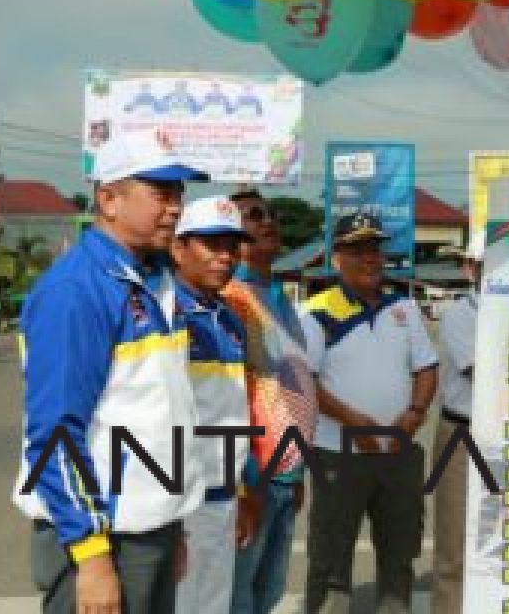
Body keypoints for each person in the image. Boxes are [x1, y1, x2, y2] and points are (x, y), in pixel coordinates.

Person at [12, 129, 209, 614]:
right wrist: (92, 557)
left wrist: (173, 522)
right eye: (161, 193)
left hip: (151, 526)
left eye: (180, 193)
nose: (176, 207)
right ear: (108, 199)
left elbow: (159, 408)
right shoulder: (76, 289)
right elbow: (55, 432)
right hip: (104, 536)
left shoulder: (156, 278)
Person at [302, 213, 439, 614]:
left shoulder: (405, 307)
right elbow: (305, 381)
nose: (369, 259)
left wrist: (415, 413)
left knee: (399, 556)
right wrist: (353, 421)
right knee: (330, 559)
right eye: (357, 250)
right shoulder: (315, 311)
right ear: (337, 256)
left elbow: (426, 367)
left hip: (399, 455)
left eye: (374, 249)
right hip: (338, 454)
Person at [224, 190, 318, 614]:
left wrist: (295, 474)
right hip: (253, 477)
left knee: (268, 592)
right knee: (239, 595)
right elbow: (231, 396)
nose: (268, 222)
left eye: (272, 214)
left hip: (284, 474)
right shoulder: (230, 296)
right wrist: (246, 482)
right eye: (254, 216)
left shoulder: (278, 296)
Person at [172, 196, 261, 614]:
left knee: (213, 605)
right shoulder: (162, 312)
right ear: (178, 247)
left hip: (222, 495)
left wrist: (241, 488)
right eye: (212, 244)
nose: (225, 256)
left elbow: (231, 412)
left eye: (231, 245)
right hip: (176, 499)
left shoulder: (228, 317)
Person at [431, 234, 483, 614]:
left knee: (508, 541)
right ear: (470, 268)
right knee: (456, 546)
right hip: (463, 434)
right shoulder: (460, 314)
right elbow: (483, 374)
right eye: (485, 265)